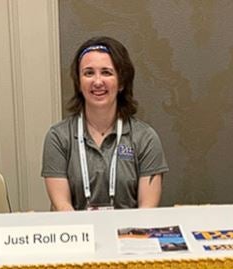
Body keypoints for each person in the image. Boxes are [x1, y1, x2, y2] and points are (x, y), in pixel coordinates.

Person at [42, 36, 168, 211]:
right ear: (79, 82)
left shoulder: (145, 138)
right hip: (79, 234)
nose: (98, 81)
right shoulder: (58, 137)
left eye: (107, 72)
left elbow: (146, 210)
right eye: (89, 73)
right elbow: (62, 207)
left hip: (129, 236)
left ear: (121, 82)